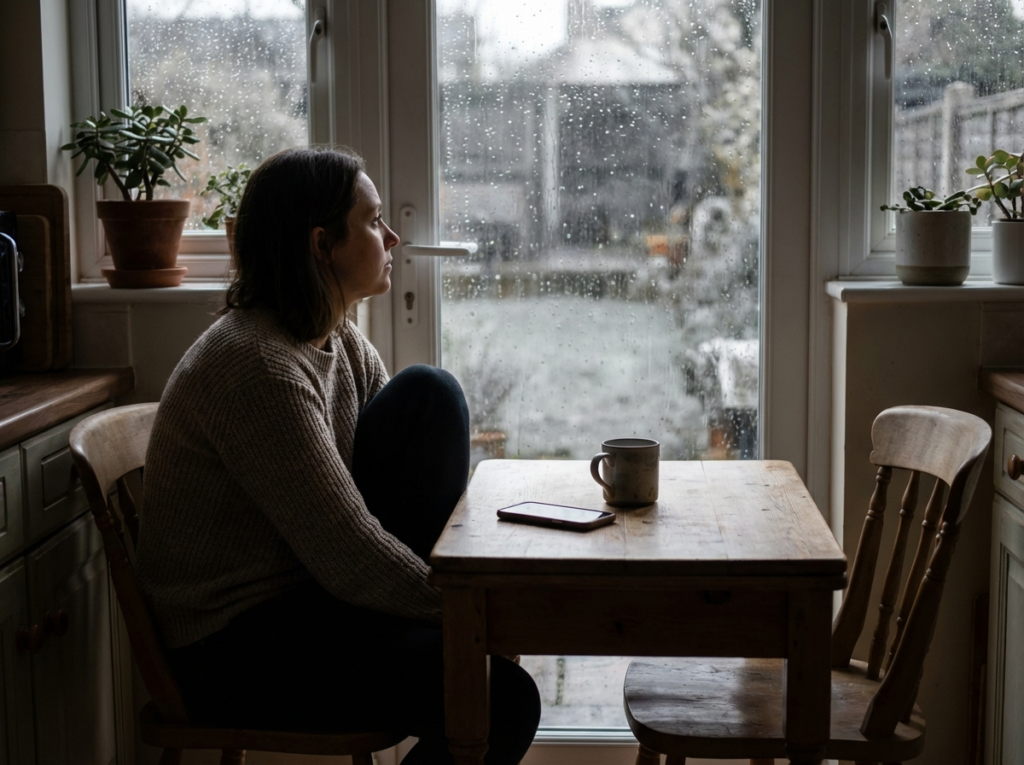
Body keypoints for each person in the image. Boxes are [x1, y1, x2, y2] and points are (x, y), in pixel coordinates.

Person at [136, 147, 541, 764]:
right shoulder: (257, 365)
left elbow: (386, 487)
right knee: (499, 696)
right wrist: (469, 618)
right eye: (375, 221)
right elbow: (346, 548)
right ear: (323, 245)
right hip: (231, 645)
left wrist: (474, 591)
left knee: (430, 395)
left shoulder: (333, 334)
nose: (393, 235)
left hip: (306, 598)